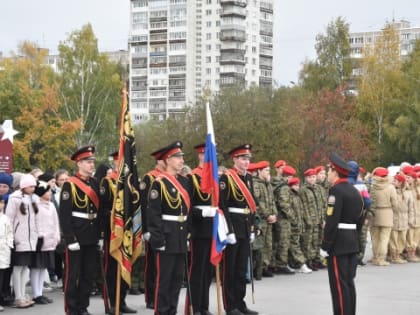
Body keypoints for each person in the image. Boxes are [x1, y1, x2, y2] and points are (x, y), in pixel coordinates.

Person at [147, 141, 191, 315]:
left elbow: (186, 211)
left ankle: (172, 310)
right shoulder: (159, 183)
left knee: (177, 278)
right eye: (177, 157)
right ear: (168, 159)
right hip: (167, 234)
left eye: (181, 157)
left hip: (180, 235)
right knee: (164, 279)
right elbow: (154, 214)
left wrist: (187, 234)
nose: (181, 160)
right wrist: (158, 239)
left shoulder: (184, 182)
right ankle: (162, 311)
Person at [60, 145, 102, 315]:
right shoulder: (70, 185)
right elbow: (65, 214)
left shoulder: (94, 183)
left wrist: (100, 235)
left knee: (88, 274)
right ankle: (71, 309)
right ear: (79, 163)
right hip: (77, 235)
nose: (92, 164)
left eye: (92, 161)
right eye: (87, 161)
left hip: (91, 235)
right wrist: (70, 238)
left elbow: (99, 211)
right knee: (73, 274)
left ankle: (83, 307)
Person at [320, 152, 364, 315]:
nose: (328, 175)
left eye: (329, 171)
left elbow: (332, 221)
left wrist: (325, 245)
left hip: (338, 244)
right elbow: (361, 218)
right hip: (351, 242)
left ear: (335, 171)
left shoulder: (336, 191)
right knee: (348, 284)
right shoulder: (355, 191)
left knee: (338, 285)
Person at [219, 144, 258, 315]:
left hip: (245, 226)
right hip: (233, 228)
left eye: (248, 159)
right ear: (234, 159)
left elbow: (251, 206)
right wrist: (229, 231)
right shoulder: (226, 178)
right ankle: (230, 305)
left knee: (242, 269)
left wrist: (252, 227)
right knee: (230, 269)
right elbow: (223, 206)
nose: (246, 162)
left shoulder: (248, 178)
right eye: (243, 158)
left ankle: (240, 302)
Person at [98, 156, 137, 315]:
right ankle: (112, 302)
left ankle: (122, 301)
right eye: (119, 161)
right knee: (113, 267)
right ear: (115, 163)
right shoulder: (107, 182)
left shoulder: (130, 182)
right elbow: (103, 208)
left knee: (126, 264)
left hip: (128, 229)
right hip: (114, 230)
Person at [186, 143, 216, 315]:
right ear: (199, 156)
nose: (208, 159)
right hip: (199, 229)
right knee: (197, 271)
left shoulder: (214, 177)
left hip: (212, 229)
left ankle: (204, 306)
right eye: (205, 155)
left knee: (207, 272)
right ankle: (194, 307)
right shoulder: (192, 177)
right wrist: (203, 211)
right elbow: (188, 205)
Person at [139, 146, 167, 310]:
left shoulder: (169, 178)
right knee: (152, 264)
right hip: (153, 227)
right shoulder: (149, 178)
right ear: (159, 161)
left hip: (168, 227)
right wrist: (145, 229)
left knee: (164, 266)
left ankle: (162, 296)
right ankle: (151, 297)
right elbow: (144, 205)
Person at [6, 174, 38, 308]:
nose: (33, 188)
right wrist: (12, 237)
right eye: (31, 186)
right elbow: (10, 219)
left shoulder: (33, 199)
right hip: (19, 238)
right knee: (18, 268)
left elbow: (35, 220)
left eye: (34, 186)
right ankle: (18, 296)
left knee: (25, 268)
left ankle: (23, 294)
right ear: (24, 186)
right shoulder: (15, 199)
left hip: (30, 240)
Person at [30, 178, 60, 304]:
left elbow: (55, 222)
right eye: (47, 191)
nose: (50, 193)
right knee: (36, 267)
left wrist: (57, 235)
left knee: (43, 268)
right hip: (40, 240)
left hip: (50, 240)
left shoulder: (52, 205)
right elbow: (34, 222)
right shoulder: (34, 205)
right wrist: (38, 235)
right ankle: (36, 294)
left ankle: (40, 292)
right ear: (41, 193)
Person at [251, 161, 277, 278]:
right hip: (262, 219)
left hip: (269, 219)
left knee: (268, 245)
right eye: (266, 170)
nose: (268, 173)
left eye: (268, 170)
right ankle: (258, 270)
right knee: (260, 245)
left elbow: (272, 202)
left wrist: (274, 214)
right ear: (259, 171)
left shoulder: (268, 185)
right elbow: (258, 202)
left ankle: (264, 267)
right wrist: (267, 215)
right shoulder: (256, 184)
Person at [271, 165, 298, 275]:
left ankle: (280, 263)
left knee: (281, 241)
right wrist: (292, 216)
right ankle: (281, 264)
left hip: (281, 217)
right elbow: (284, 204)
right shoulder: (284, 187)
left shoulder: (280, 185)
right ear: (288, 176)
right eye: (291, 176)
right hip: (283, 218)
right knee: (283, 242)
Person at [369, 167, 398, 266]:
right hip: (387, 213)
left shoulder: (372, 186)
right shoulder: (390, 187)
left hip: (374, 213)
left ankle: (375, 257)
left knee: (375, 237)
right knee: (384, 238)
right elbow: (395, 203)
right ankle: (381, 258)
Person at [389, 174, 411, 264]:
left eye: (395, 181)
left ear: (401, 182)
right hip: (394, 218)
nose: (393, 182)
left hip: (404, 218)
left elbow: (410, 207)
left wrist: (410, 219)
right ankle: (394, 256)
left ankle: (399, 253)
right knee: (393, 238)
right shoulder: (392, 191)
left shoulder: (407, 193)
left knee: (402, 238)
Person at [0, 195, 13, 312]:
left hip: (4, 248)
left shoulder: (5, 218)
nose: (1, 205)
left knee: (2, 274)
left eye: (2, 203)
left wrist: (9, 244)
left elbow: (10, 232)